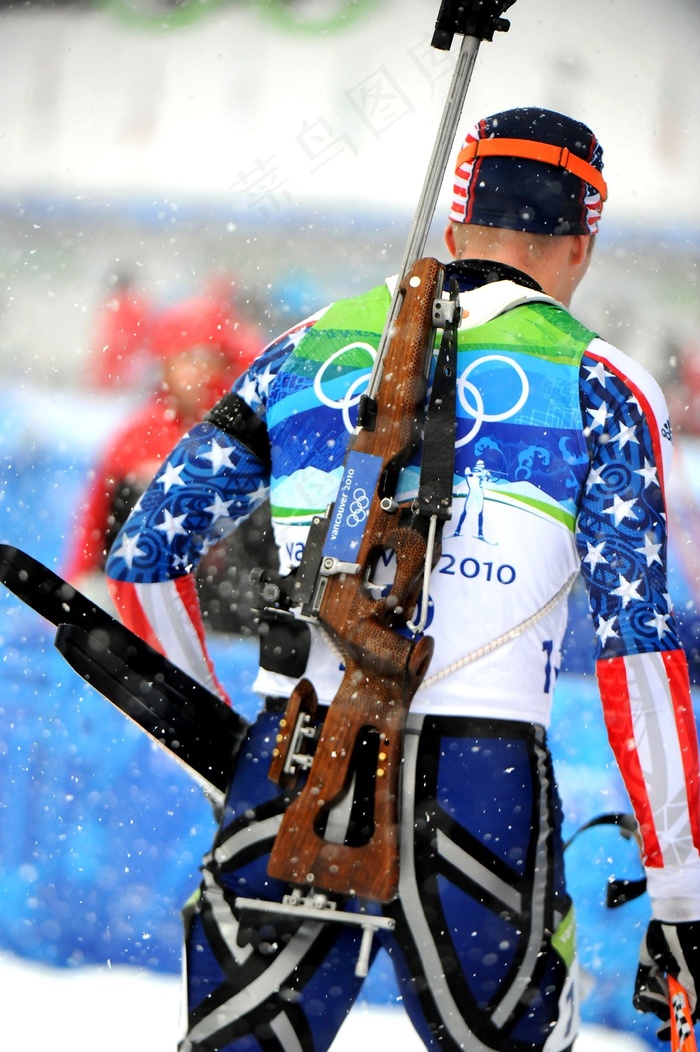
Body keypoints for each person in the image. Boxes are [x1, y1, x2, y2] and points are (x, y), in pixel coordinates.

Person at [104, 108, 700, 1051]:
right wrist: (679, 887)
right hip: (484, 769)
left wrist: (220, 744)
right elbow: (640, 642)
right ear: (583, 243)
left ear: (455, 228)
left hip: (292, 752)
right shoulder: (600, 377)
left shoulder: (303, 347)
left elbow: (145, 554)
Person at [65, 289, 272, 632]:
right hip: (153, 582)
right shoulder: (137, 434)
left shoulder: (243, 422)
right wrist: (79, 578)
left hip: (225, 586)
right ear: (166, 363)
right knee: (135, 488)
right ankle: (118, 598)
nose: (198, 371)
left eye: (208, 359)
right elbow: (96, 518)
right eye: (187, 359)